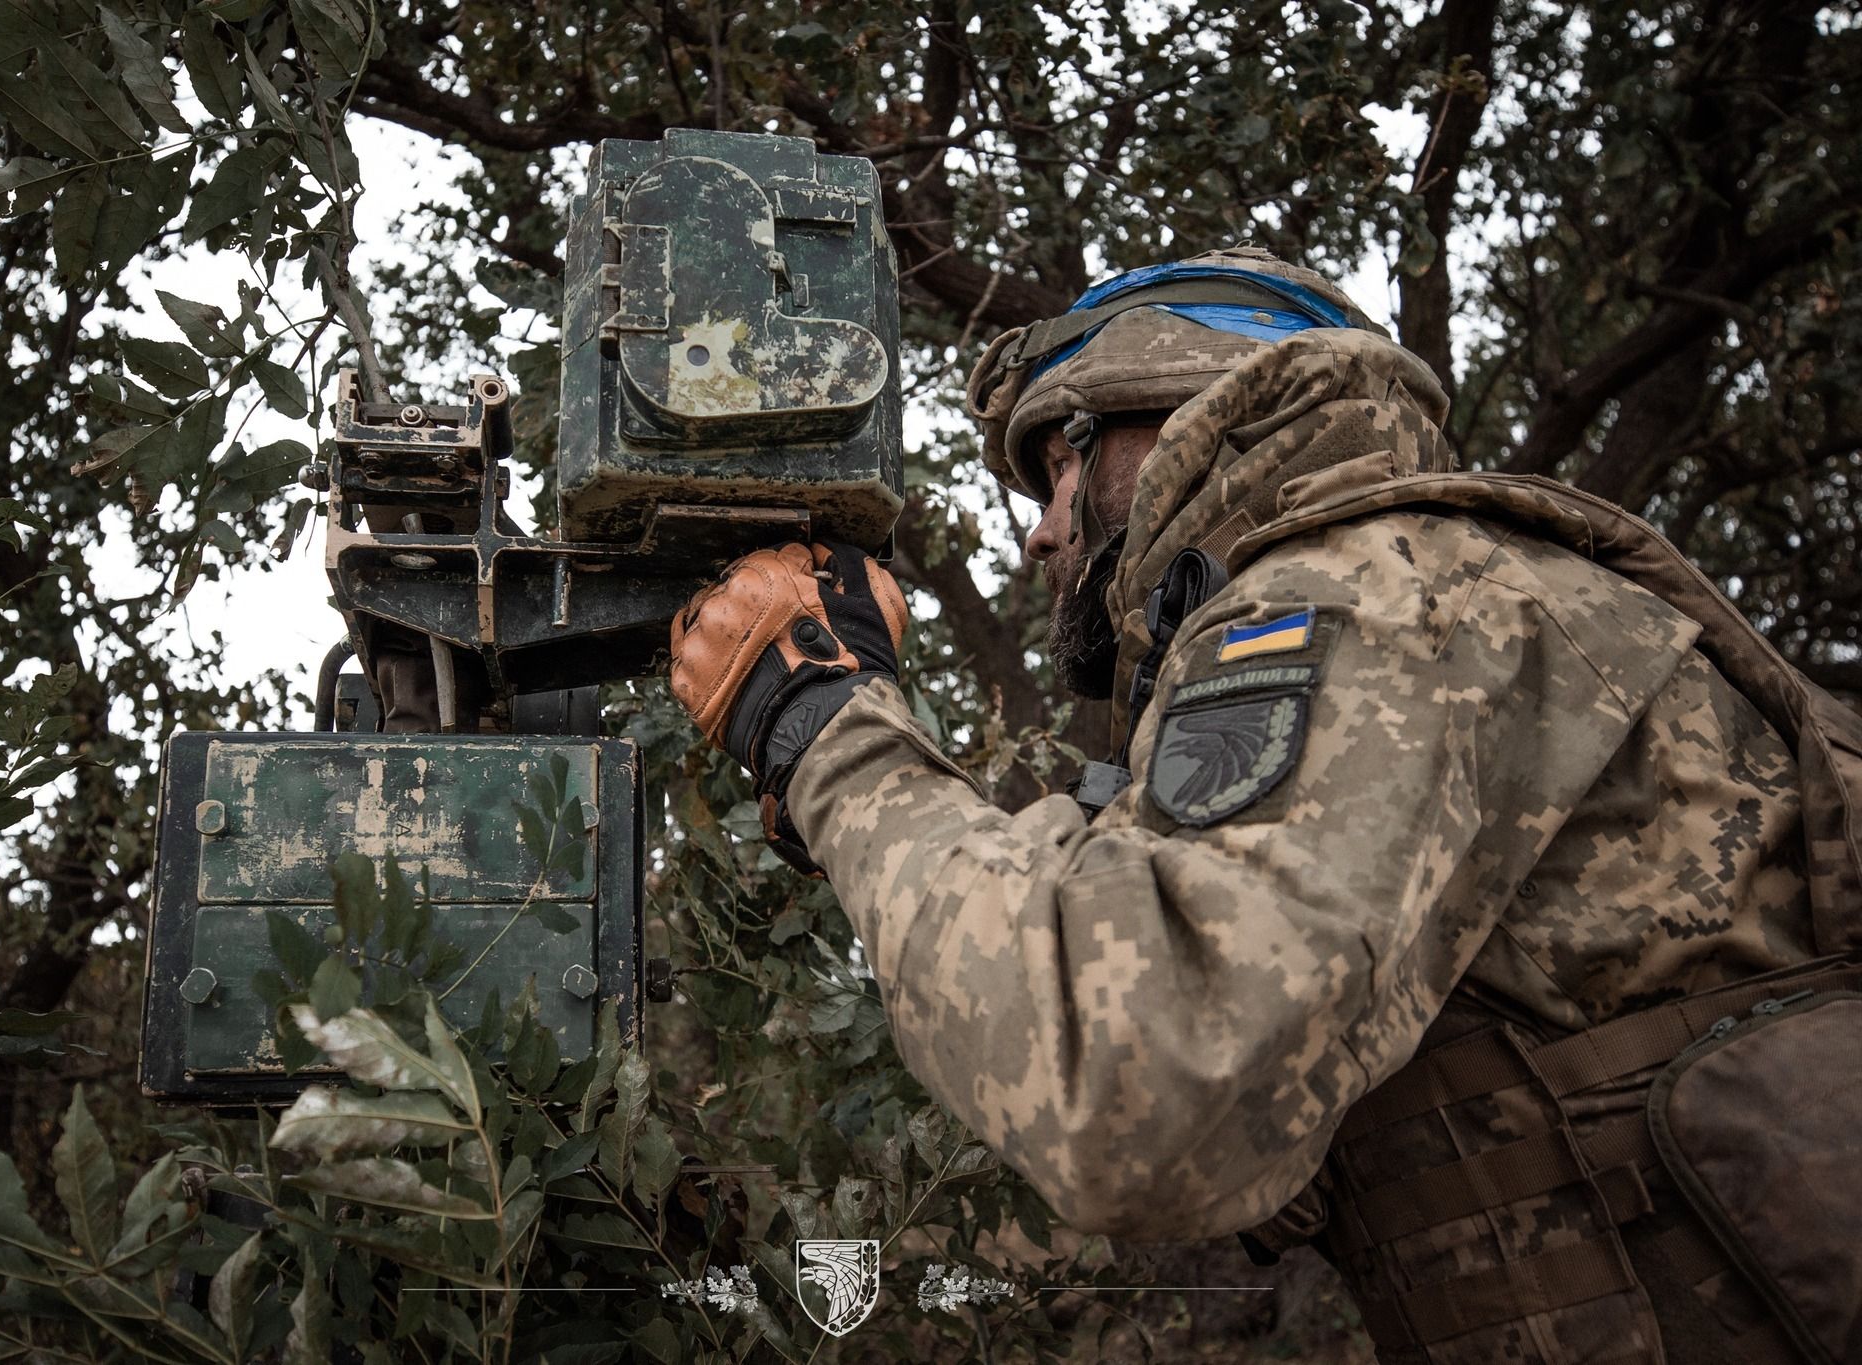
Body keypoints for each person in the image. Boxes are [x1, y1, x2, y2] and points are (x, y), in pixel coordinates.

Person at [666, 246, 1862, 1365]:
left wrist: (827, 732)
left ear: (1160, 421)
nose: (1037, 535)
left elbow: (1133, 1089)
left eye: (1056, 466)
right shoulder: (1450, 591)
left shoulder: (1374, 587)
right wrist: (895, 831)